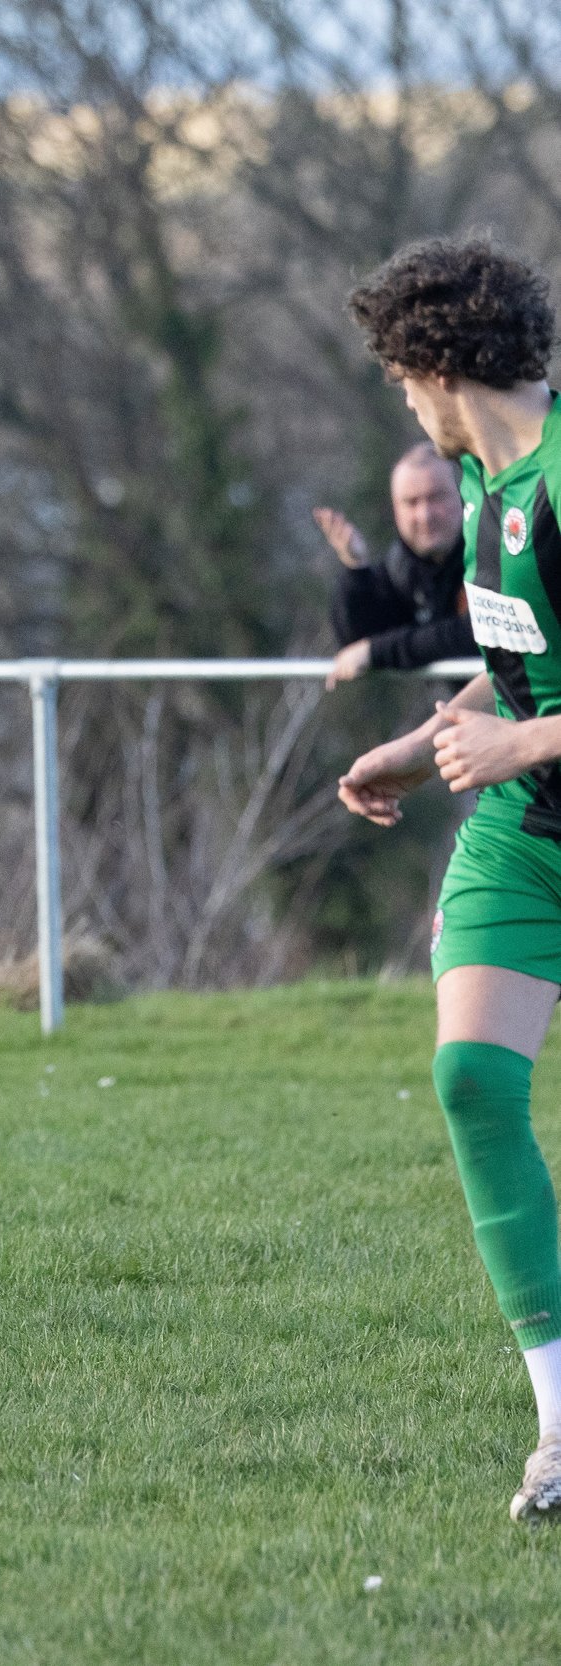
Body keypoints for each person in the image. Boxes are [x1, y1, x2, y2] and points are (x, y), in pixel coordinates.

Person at [335, 237, 561, 1521]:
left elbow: (537, 713)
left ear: (429, 360)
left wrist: (518, 739)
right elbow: (520, 666)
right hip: (527, 830)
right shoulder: (483, 487)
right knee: (471, 1078)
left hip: (532, 775)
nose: (400, 402)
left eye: (395, 374)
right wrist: (425, 750)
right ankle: (556, 1425)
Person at [315, 443, 470, 689]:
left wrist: (377, 651)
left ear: (463, 494)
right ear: (395, 509)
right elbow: (357, 643)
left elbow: (476, 635)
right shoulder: (402, 568)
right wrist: (356, 569)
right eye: (411, 502)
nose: (425, 515)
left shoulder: (493, 551)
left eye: (436, 497)